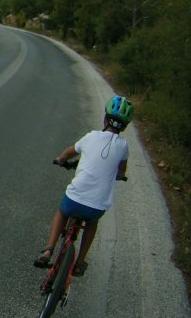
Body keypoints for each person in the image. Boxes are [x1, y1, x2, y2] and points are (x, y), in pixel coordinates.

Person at [33, 94, 132, 277]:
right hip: (96, 207)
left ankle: (48, 250)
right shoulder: (124, 146)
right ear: (125, 126)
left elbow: (70, 152)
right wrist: (120, 175)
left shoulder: (91, 137)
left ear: (105, 118)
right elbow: (122, 169)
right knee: (92, 223)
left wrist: (61, 159)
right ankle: (79, 262)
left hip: (74, 200)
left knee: (62, 212)